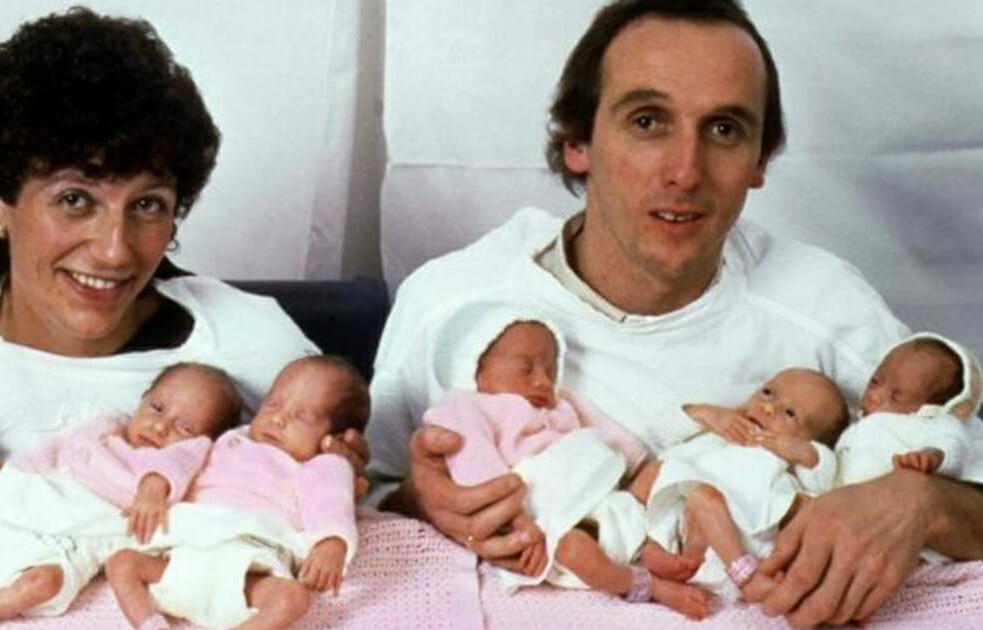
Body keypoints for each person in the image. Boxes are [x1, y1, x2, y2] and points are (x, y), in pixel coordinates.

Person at [366, 0, 983, 626]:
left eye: (724, 130)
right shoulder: (453, 299)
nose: (686, 172)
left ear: (759, 162)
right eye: (648, 121)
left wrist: (923, 504)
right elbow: (357, 504)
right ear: (578, 141)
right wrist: (423, 500)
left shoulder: (823, 303)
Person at [0, 8, 364, 630]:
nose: (115, 251)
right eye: (75, 199)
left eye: (147, 205)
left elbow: (383, 495)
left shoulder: (250, 341)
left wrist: (381, 474)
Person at [422, 308, 708, 618]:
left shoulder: (563, 401)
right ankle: (647, 585)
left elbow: (609, 434)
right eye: (525, 369)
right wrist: (520, 525)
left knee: (662, 470)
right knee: (575, 550)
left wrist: (636, 462)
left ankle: (651, 545)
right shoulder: (466, 406)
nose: (543, 381)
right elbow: (478, 468)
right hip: (547, 510)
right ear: (476, 370)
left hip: (600, 489)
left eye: (550, 370)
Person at [0, 362, 242, 630]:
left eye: (184, 428)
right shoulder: (104, 428)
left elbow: (177, 465)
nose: (160, 427)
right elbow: (52, 450)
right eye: (157, 408)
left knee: (44, 584)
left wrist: (154, 488)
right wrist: (12, 473)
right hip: (33, 506)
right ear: (143, 398)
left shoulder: (177, 461)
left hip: (72, 542)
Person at [104, 355, 368, 630]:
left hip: (247, 567)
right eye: (273, 404)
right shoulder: (228, 440)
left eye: (301, 416)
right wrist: (154, 487)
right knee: (121, 563)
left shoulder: (320, 465)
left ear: (333, 438)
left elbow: (331, 501)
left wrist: (333, 542)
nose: (278, 418)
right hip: (182, 555)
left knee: (293, 598)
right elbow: (180, 459)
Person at [629, 368, 848, 603]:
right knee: (659, 478)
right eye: (768, 393)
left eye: (790, 414)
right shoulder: (723, 429)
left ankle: (747, 577)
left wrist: (807, 454)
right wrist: (705, 414)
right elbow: (662, 434)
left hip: (742, 540)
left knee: (800, 511)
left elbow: (824, 479)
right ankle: (651, 553)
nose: (768, 408)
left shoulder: (783, 459)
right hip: (685, 528)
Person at [836, 333, 981, 533]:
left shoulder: (927, 424)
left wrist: (933, 456)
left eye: (896, 397)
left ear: (931, 408)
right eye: (875, 382)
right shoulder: (854, 429)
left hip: (894, 524)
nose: (875, 396)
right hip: (846, 513)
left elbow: (953, 443)